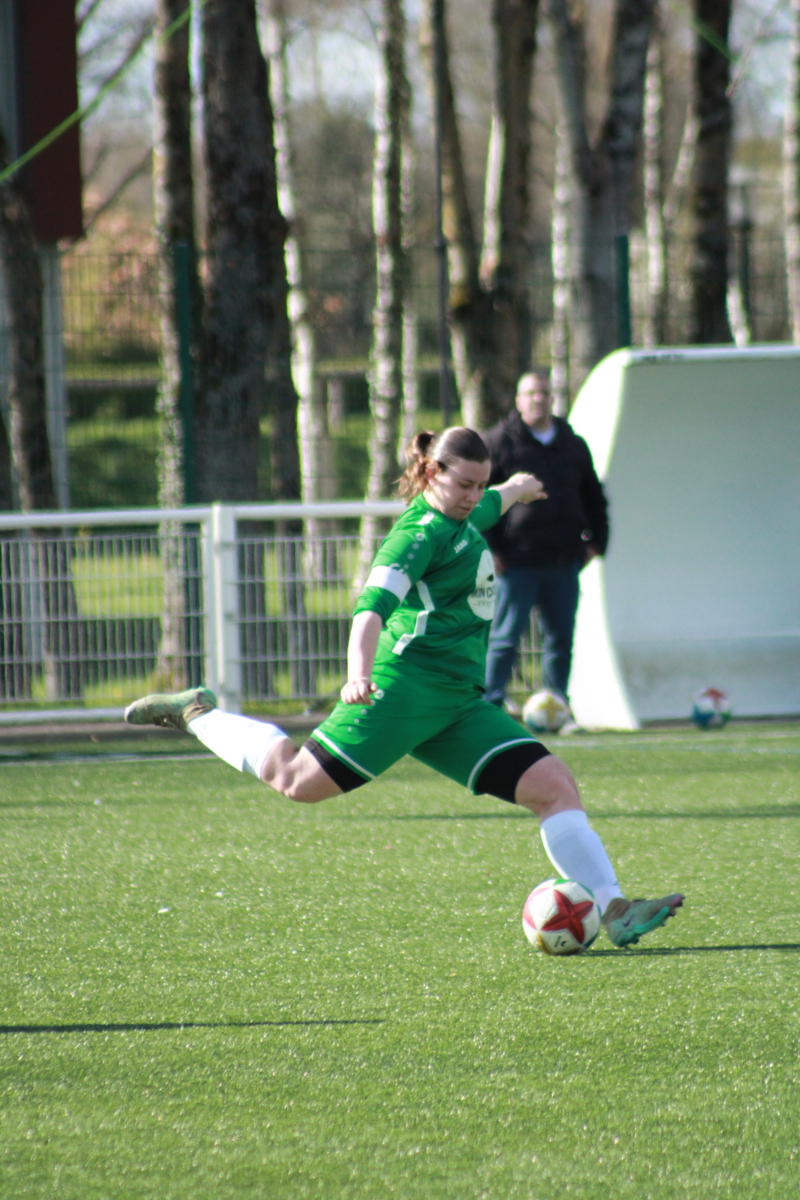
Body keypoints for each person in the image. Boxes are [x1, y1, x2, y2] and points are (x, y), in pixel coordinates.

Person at [125, 426, 681, 948]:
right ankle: (196, 711)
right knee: (296, 781)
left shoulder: (466, 511)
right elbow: (370, 610)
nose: (473, 497)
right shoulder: (415, 538)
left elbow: (494, 502)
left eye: (480, 485)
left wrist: (517, 488)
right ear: (432, 472)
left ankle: (614, 908)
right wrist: (357, 674)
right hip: (403, 690)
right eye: (464, 485)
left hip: (458, 703)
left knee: (554, 785)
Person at [483, 369, 609, 715]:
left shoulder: (573, 444)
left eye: (544, 392)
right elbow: (481, 499)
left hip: (564, 560)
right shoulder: (499, 442)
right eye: (531, 393)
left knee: (560, 640)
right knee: (505, 638)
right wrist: (491, 548)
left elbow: (594, 496)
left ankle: (557, 708)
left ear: (552, 398)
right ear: (518, 400)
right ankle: (489, 706)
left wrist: (596, 542)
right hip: (516, 561)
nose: (538, 399)